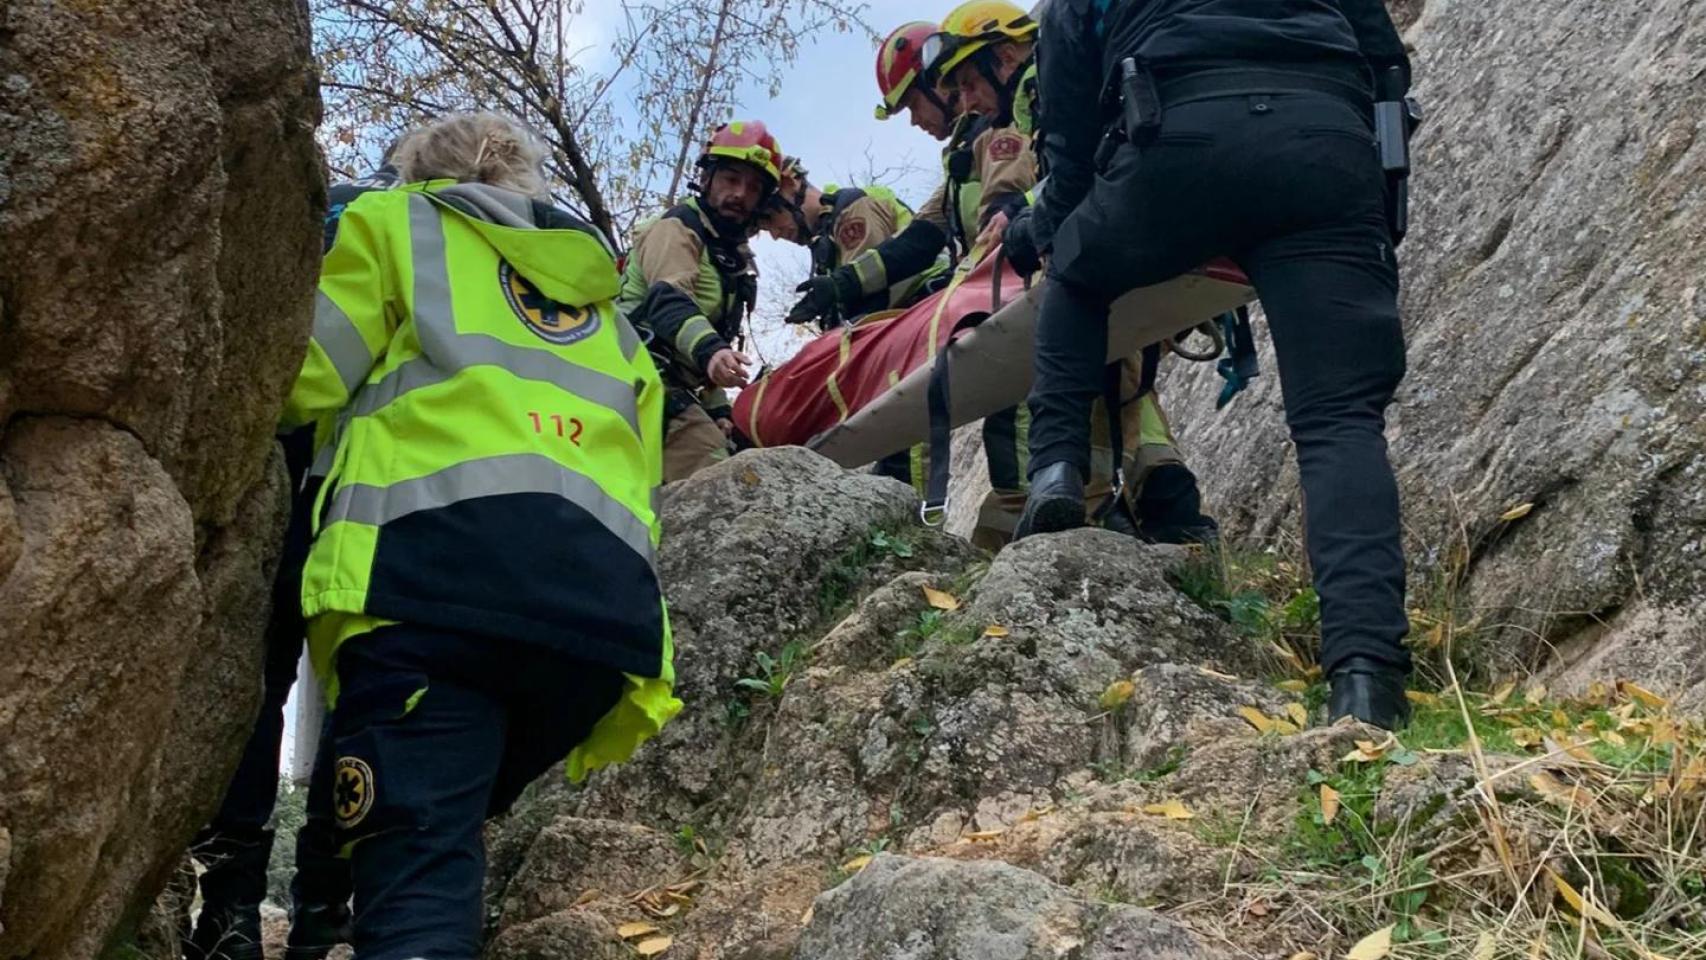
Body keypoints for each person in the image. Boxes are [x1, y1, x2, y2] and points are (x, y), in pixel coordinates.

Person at [278, 111, 680, 956]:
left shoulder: (395, 224)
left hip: (432, 586)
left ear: (417, 176)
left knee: (419, 856)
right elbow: (641, 465)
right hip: (595, 630)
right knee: (429, 820)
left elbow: (301, 376)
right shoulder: (605, 303)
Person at [1013, 0, 1416, 727]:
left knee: (1074, 282)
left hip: (1176, 134)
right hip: (1324, 143)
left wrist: (1062, 227)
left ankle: (1055, 469)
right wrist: (1382, 188)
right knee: (1338, 424)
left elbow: (1068, 111)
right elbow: (1385, 56)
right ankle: (1366, 682)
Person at [182, 158, 407, 960]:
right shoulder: (420, 242)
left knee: (258, 700)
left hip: (286, 488)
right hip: (371, 510)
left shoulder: (336, 221)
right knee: (356, 706)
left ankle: (233, 912)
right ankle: (321, 908)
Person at [924, 0, 1218, 546]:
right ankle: (1169, 522)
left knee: (1086, 394)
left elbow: (1082, 162)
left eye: (968, 83)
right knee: (1129, 397)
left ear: (1006, 56)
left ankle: (1082, 520)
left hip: (1094, 256)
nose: (967, 102)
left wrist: (1018, 215)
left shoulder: (1050, 80)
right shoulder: (1034, 96)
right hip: (1130, 242)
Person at [617, 121, 783, 481]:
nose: (740, 193)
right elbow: (667, 302)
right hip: (631, 374)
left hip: (669, 384)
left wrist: (719, 409)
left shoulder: (729, 255)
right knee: (717, 474)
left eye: (753, 187)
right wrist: (712, 351)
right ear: (707, 179)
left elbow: (694, 355)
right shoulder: (677, 228)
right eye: (731, 179)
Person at [760, 156, 947, 330]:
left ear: (790, 184)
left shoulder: (851, 210)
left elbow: (871, 303)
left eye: (770, 217)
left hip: (931, 308)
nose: (775, 234)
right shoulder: (829, 233)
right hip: (916, 316)